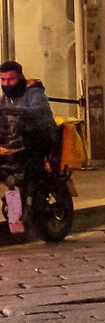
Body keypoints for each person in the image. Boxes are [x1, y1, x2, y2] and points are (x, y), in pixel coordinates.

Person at [0, 61, 59, 236]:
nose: (7, 83)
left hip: (41, 139)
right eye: (3, 80)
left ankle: (27, 206)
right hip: (16, 143)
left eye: (11, 79)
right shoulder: (5, 98)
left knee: (27, 167)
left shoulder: (33, 91)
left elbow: (39, 111)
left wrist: (14, 110)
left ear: (20, 77)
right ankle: (15, 210)